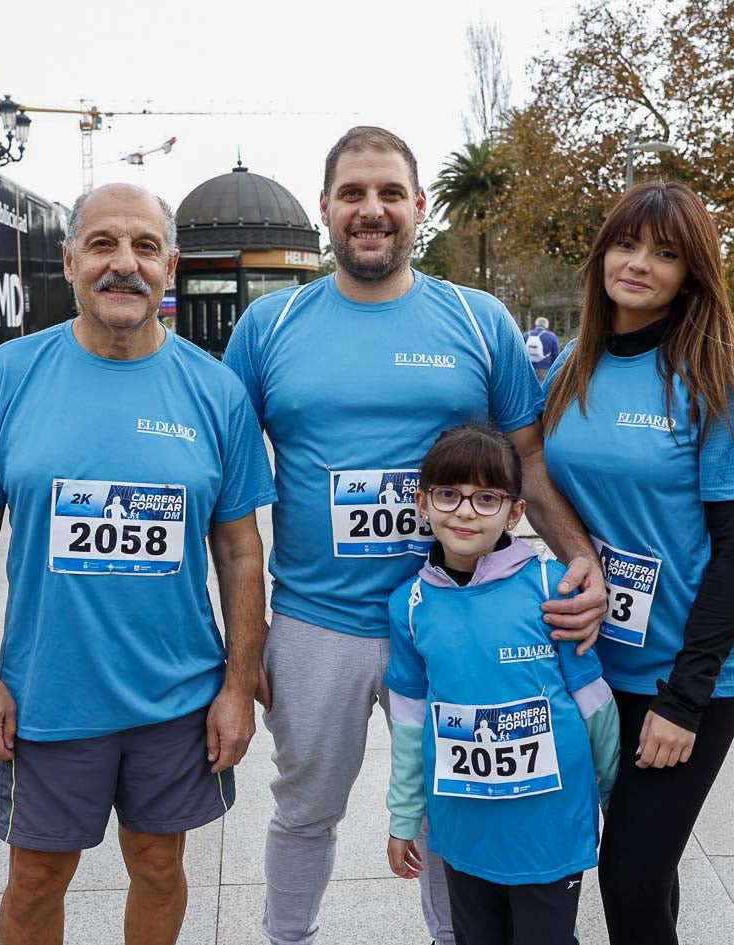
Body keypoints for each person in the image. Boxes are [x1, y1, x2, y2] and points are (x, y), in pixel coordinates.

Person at [222, 125, 608, 945]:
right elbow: (223, 498)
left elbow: (528, 462)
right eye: (354, 193)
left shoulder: (477, 320)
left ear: (419, 206)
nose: (372, 210)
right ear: (324, 206)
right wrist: (240, 647)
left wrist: (581, 561)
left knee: (451, 807)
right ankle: (285, 935)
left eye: (390, 193)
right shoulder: (269, 325)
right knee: (304, 808)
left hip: (455, 615)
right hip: (315, 623)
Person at [0, 183, 276, 945]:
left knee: (159, 865)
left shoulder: (214, 390)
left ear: (171, 268)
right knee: (35, 877)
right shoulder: (10, 374)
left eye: (144, 247)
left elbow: (239, 548)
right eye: (102, 244)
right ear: (68, 261)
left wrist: (236, 686)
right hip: (46, 695)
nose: (123, 263)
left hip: (177, 698)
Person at [539, 181, 734, 944]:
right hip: (591, 664)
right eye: (625, 243)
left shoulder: (718, 376)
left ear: (690, 272)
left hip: (684, 673)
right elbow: (540, 485)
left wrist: (682, 700)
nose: (637, 264)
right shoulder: (572, 363)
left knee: (629, 876)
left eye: (664, 253)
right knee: (648, 869)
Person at [385, 424, 619, 945]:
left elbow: (595, 707)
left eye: (486, 498)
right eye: (449, 494)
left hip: (551, 827)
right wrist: (404, 818)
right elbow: (408, 724)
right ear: (423, 503)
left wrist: (615, 800)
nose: (465, 511)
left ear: (515, 512)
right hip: (466, 828)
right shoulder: (410, 606)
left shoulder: (550, 586)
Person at [523, 317, 561, 383]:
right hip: (544, 369)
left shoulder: (525, 335)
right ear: (547, 325)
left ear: (536, 324)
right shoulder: (552, 336)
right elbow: (556, 356)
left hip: (528, 369)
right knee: (543, 391)